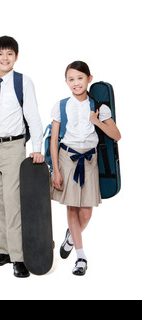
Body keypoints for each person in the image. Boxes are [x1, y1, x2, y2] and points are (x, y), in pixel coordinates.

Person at [0, 36, 44, 278]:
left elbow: (33, 116)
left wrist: (37, 148)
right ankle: (2, 251)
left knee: (13, 203)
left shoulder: (23, 82)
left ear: (16, 57)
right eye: (0, 54)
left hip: (13, 148)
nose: (5, 58)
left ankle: (19, 256)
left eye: (9, 54)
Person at [51, 61, 121, 276]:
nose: (76, 83)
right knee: (72, 208)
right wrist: (56, 170)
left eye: (80, 78)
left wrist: (97, 121)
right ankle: (81, 257)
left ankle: (71, 236)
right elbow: (54, 140)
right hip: (67, 158)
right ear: (66, 82)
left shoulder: (100, 106)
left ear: (89, 79)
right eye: (71, 79)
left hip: (90, 160)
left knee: (87, 212)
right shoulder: (61, 105)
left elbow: (117, 135)